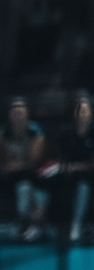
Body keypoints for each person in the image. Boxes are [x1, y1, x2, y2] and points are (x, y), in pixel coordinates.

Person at [59, 95, 94, 241]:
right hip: (70, 174)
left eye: (86, 111)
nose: (83, 115)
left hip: (93, 175)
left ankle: (77, 224)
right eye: (80, 111)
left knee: (83, 184)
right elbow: (62, 158)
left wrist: (79, 166)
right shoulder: (67, 132)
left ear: (91, 113)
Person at [0, 98, 49, 241]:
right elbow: (3, 162)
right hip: (9, 178)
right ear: (10, 115)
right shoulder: (3, 133)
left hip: (32, 178)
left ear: (27, 114)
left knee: (25, 188)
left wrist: (16, 164)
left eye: (21, 112)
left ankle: (29, 225)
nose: (18, 116)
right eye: (15, 112)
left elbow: (34, 161)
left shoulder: (36, 132)